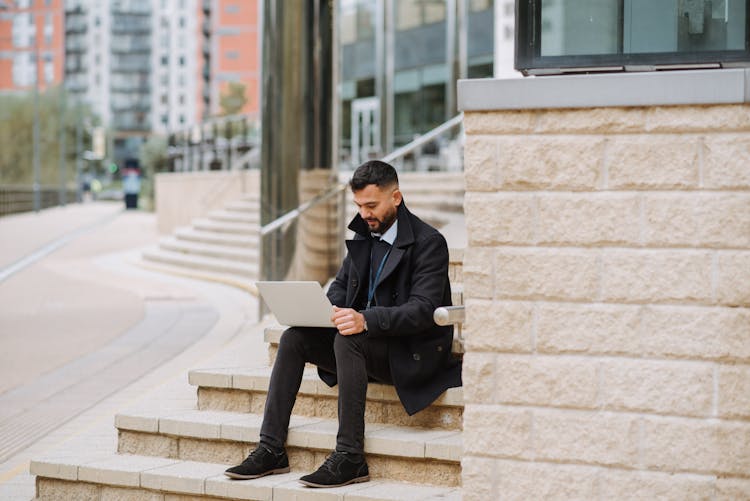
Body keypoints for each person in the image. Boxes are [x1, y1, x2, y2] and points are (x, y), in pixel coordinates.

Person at [225, 160, 462, 488]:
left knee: (348, 339)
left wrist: (365, 319)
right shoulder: (366, 234)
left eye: (371, 205)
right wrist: (324, 310)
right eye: (359, 206)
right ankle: (271, 448)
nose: (365, 214)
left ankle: (350, 457)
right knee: (295, 338)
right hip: (369, 346)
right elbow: (340, 286)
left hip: (411, 352)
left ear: (396, 197)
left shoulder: (428, 242)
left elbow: (422, 311)